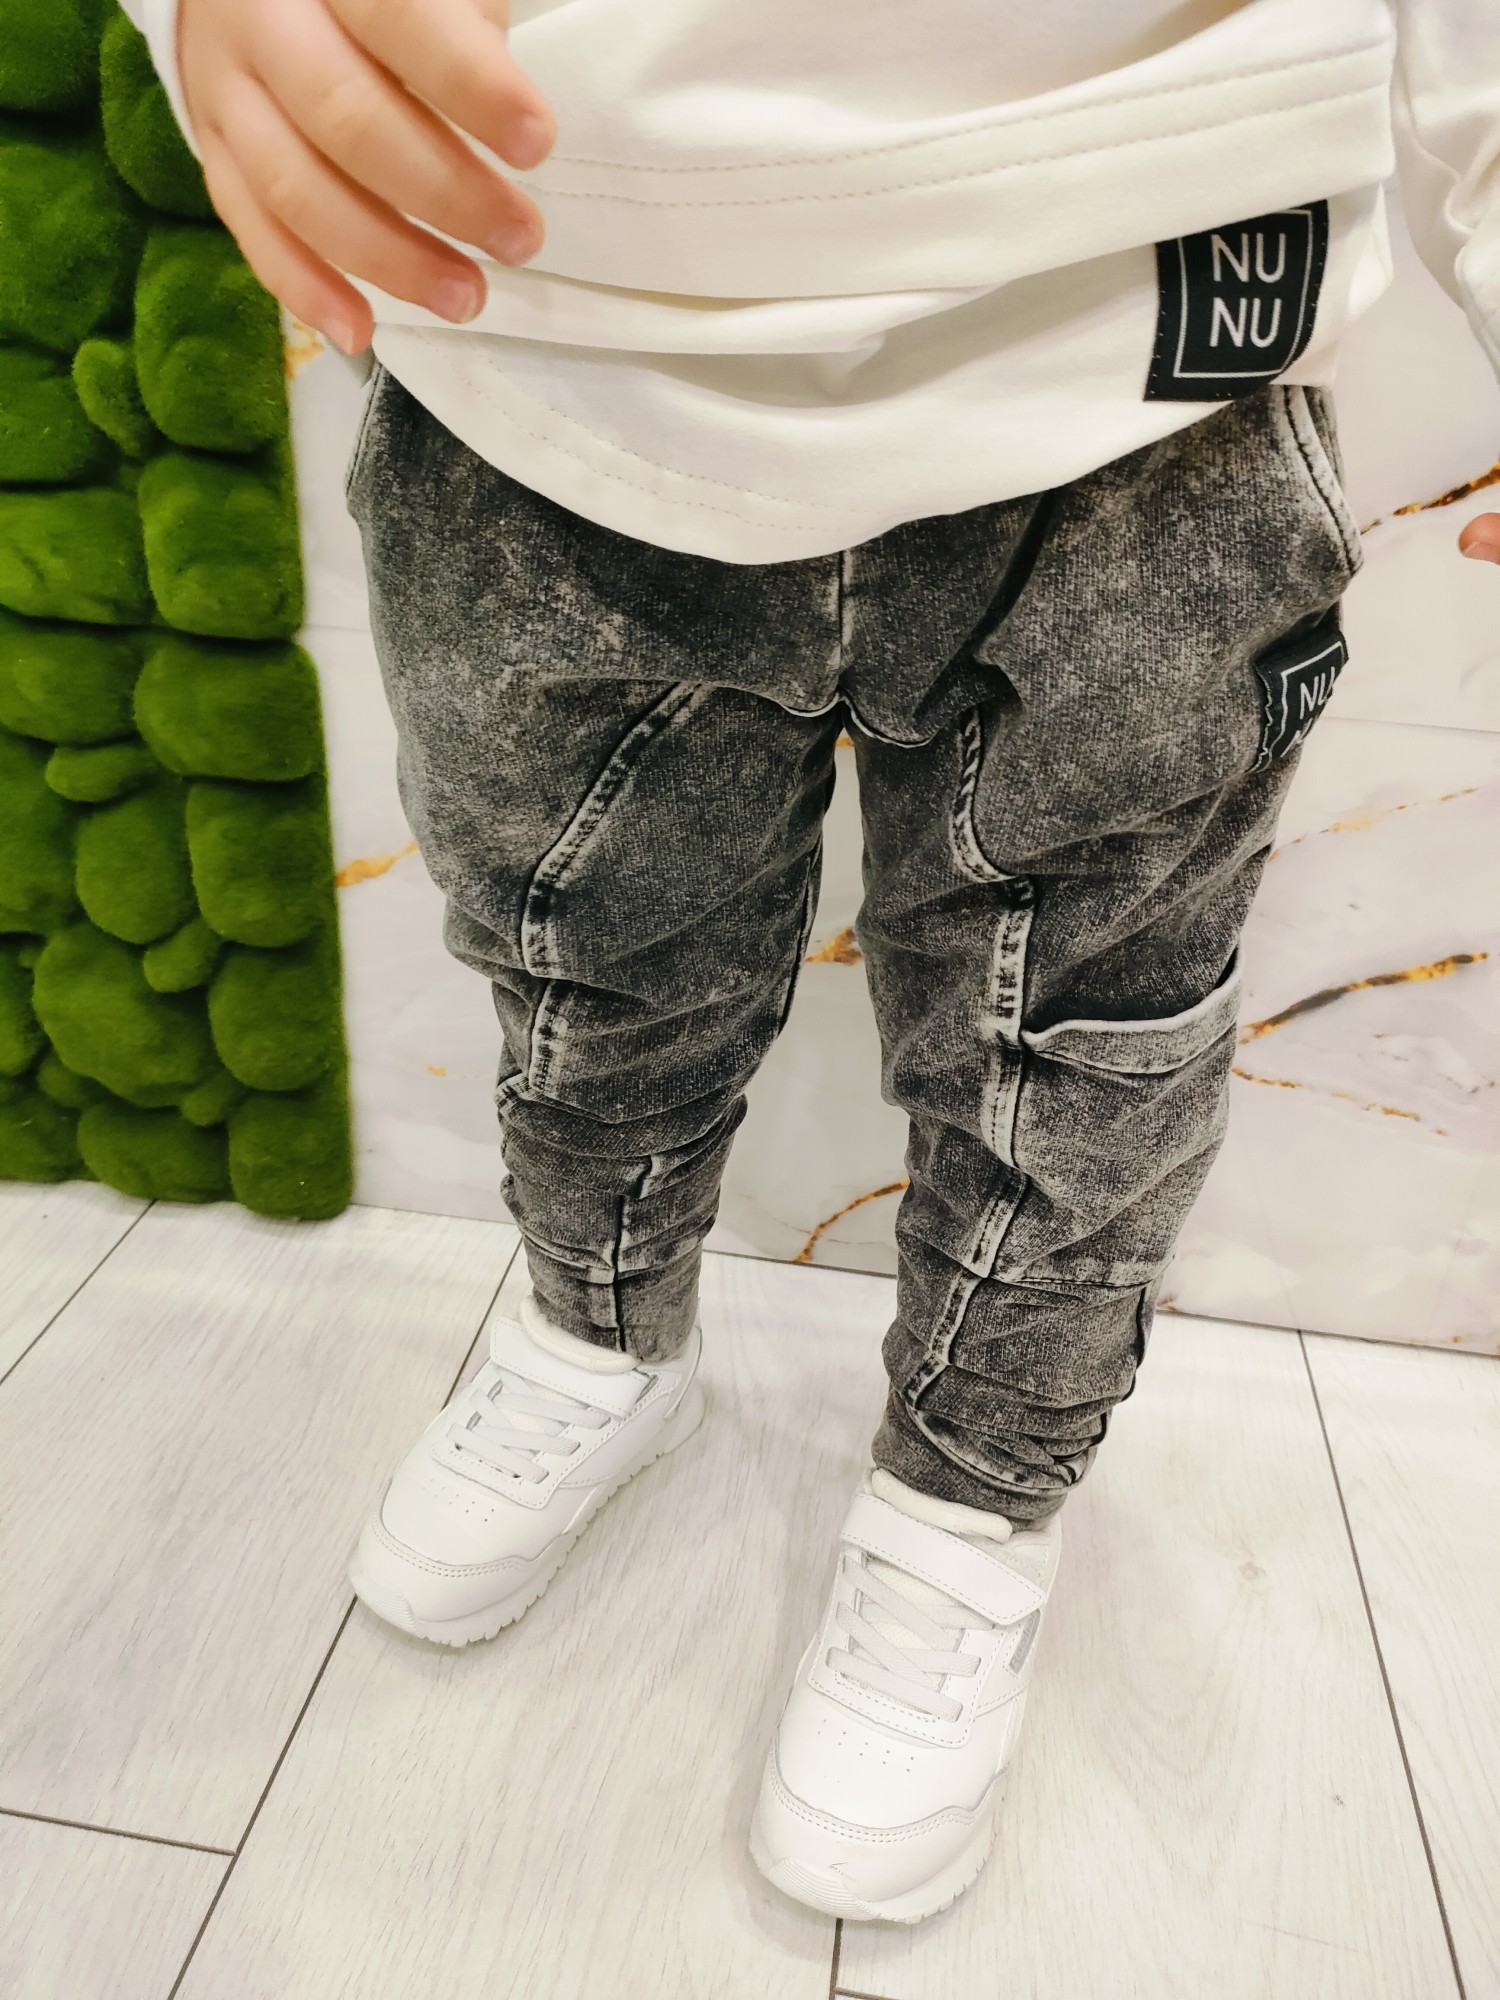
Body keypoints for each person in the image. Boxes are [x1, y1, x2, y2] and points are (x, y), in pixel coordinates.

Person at [126, 0, 1500, 1926]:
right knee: (580, 964)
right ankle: (598, 1336)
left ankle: (967, 1508)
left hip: (1140, 344)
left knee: (1080, 1062)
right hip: (539, 346)